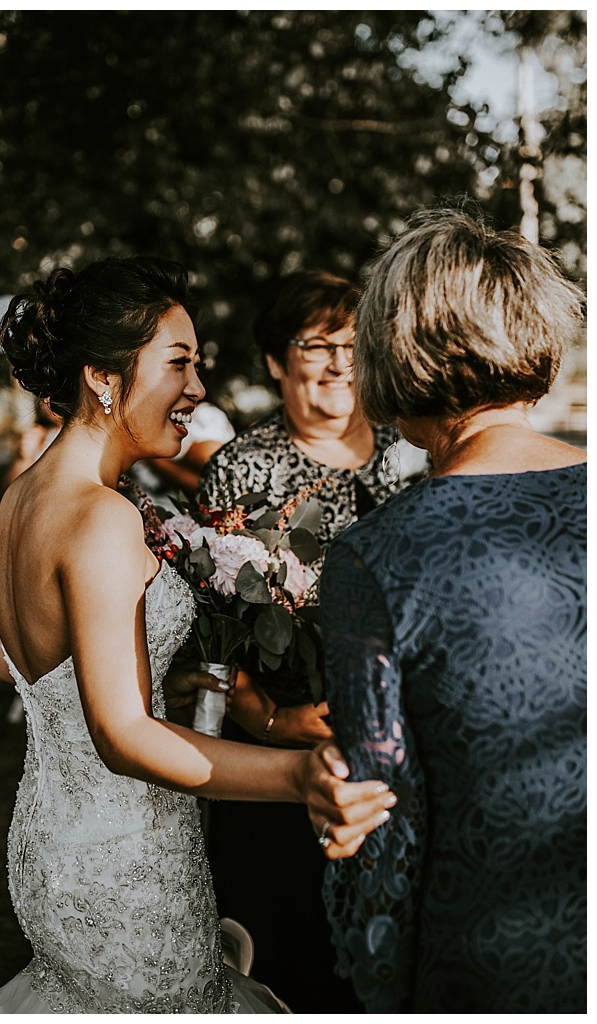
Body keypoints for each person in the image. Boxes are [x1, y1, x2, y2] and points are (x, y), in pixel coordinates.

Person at [0, 256, 394, 1013]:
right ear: (103, 376)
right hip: (127, 860)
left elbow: (5, 662)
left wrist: (161, 670)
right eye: (179, 363)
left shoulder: (21, 496)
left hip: (50, 842)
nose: (197, 389)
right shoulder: (101, 517)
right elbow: (123, 735)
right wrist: (299, 778)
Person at [321, 209, 585, 1012]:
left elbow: (380, 815)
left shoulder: (377, 555)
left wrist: (377, 987)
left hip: (490, 956)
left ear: (393, 356)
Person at [188, 270, 402, 1012]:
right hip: (276, 755)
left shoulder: (411, 461)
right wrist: (265, 718)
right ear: (277, 361)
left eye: (352, 341)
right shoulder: (240, 470)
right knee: (282, 950)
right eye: (316, 343)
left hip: (395, 748)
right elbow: (204, 633)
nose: (340, 360)